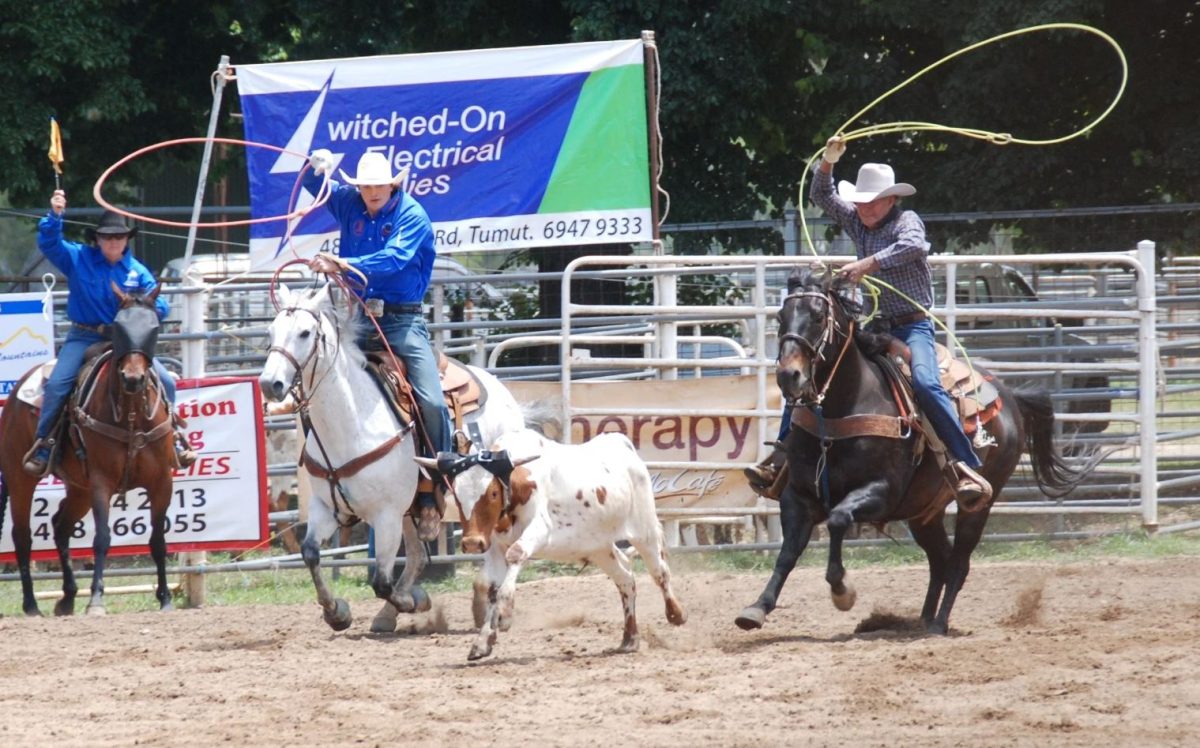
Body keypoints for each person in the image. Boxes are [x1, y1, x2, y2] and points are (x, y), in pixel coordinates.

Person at [745, 136, 992, 505]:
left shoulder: (907, 222)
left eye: (871, 202)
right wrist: (828, 160)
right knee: (810, 371)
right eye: (860, 202)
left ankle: (964, 464)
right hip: (871, 325)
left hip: (911, 326)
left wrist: (867, 264)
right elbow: (821, 194)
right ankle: (781, 458)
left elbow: (914, 247)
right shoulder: (859, 220)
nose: (863, 208)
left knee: (925, 382)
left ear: (891, 200)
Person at [303, 149, 452, 541]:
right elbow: (313, 187)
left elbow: (395, 258)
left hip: (402, 320)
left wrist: (341, 265)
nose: (371, 191)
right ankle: (335, 475)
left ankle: (435, 481)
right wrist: (312, 165)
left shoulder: (412, 216)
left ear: (392, 184)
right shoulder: (350, 202)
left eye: (377, 185)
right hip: (356, 315)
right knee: (315, 379)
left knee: (432, 400)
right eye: (365, 184)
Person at [23, 190, 197, 476]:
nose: (113, 241)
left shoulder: (137, 271)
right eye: (108, 237)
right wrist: (54, 215)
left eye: (118, 237)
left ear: (126, 239)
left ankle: (175, 438)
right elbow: (49, 244)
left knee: (166, 381)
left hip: (125, 342)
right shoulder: (78, 258)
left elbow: (160, 305)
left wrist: (142, 310)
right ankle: (45, 443)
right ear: (98, 239)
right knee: (57, 385)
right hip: (84, 336)